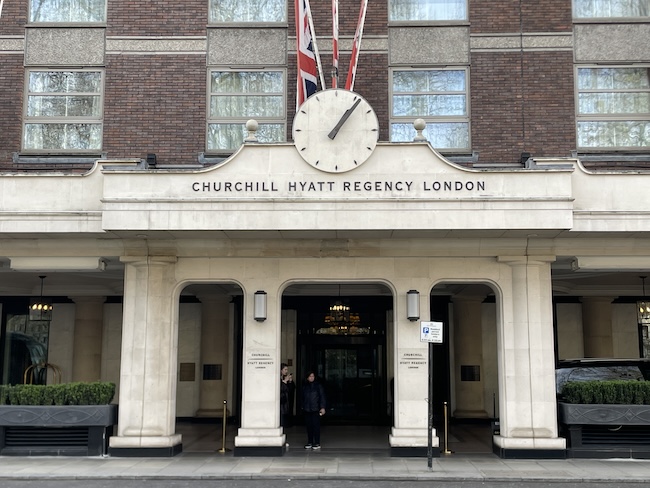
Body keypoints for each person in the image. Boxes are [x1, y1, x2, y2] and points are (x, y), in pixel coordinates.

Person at [301, 370, 326, 450]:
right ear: (307, 377)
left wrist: (322, 407)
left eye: (313, 376)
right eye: (310, 376)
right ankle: (310, 442)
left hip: (316, 409)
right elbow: (302, 397)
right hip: (307, 409)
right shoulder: (305, 386)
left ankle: (317, 442)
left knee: (316, 426)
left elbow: (322, 397)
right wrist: (302, 406)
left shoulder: (318, 386)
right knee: (309, 426)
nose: (311, 378)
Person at [280, 363, 295, 428]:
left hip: (286, 403)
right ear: (281, 370)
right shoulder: (278, 378)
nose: (286, 371)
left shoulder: (284, 378)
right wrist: (284, 382)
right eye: (285, 369)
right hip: (281, 403)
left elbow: (290, 390)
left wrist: (290, 382)